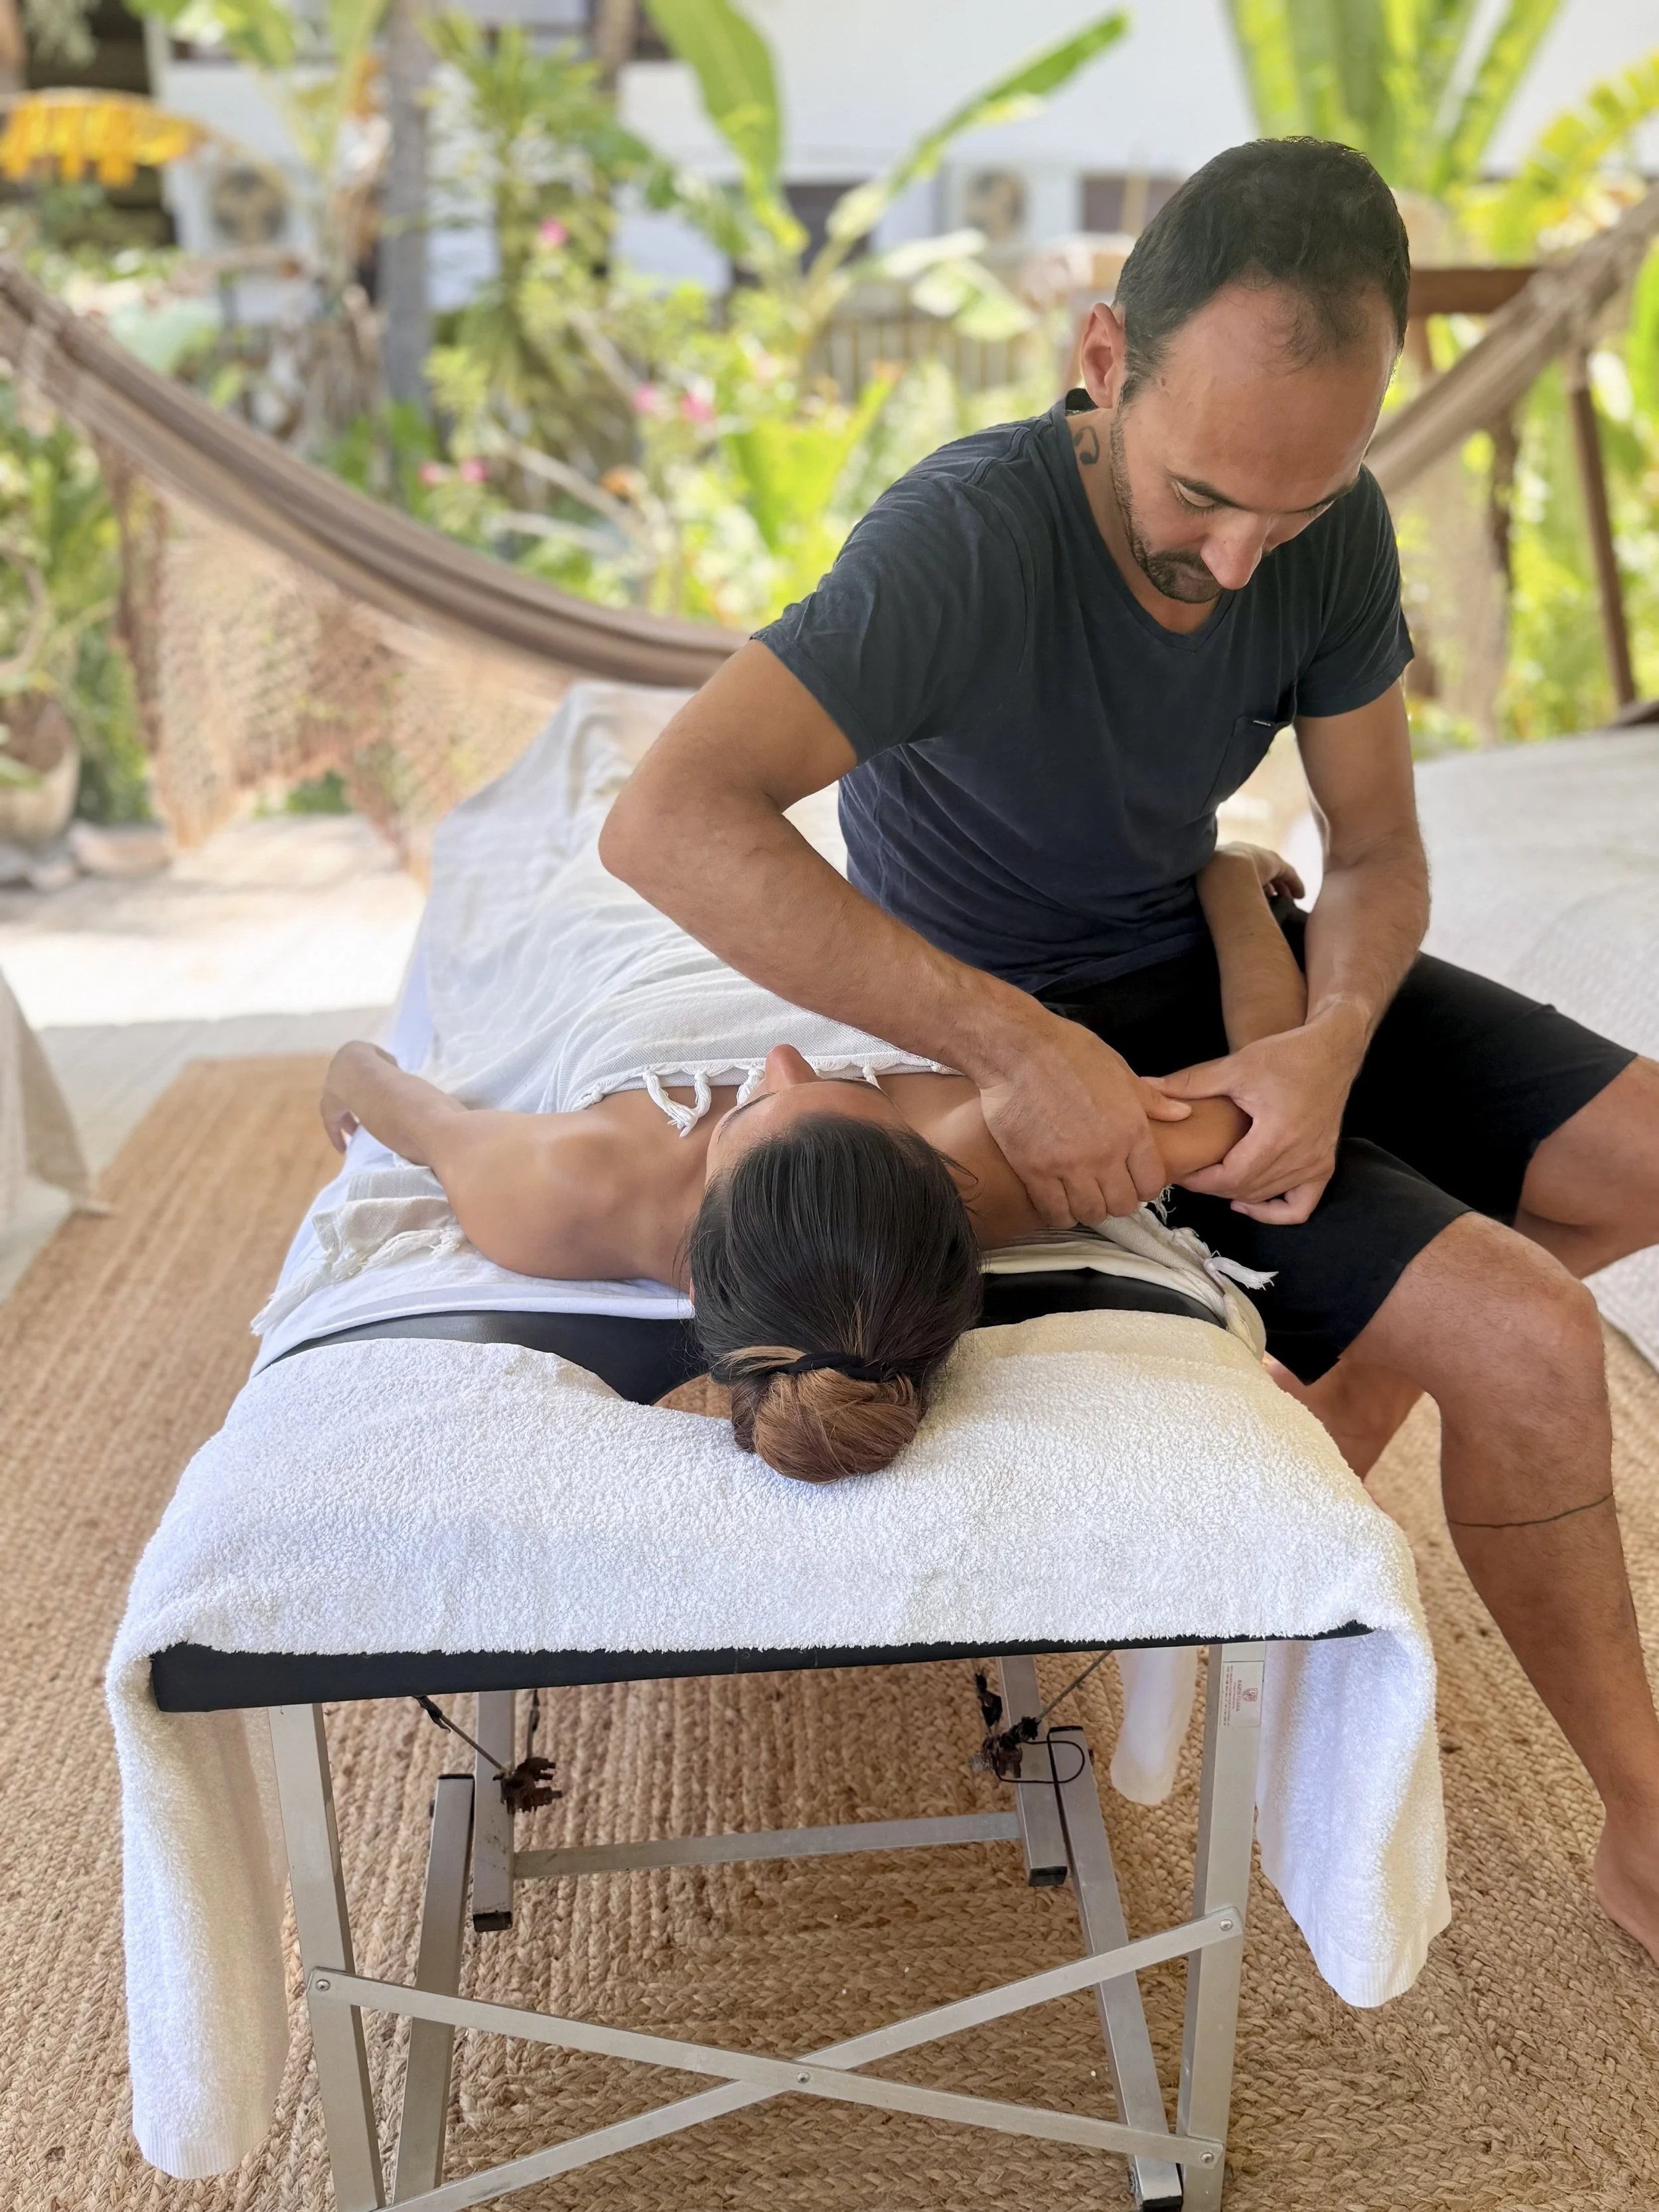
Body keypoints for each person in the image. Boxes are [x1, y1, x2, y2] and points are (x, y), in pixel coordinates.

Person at [597, 135, 1659, 1960]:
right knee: (1529, 1336)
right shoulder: (963, 543)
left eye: (1295, 509)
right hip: (1041, 1058)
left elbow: (1380, 853)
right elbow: (667, 818)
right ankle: (1646, 1838)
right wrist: (1010, 1047)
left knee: (1638, 1154)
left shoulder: (1317, 528)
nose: (1237, 559)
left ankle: (1344, 1383)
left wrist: (1328, 1037)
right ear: (1100, 359)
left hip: (1236, 978)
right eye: (1201, 496)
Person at [319, 843, 1305, 1483]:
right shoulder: (1005, 1160)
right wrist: (1231, 886)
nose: (782, 1055)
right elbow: (1269, 1102)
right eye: (828, 1081)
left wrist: (349, 1068)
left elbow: (391, 1096)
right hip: (765, 916)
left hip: (649, 957)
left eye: (759, 1101)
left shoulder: (564, 1190)